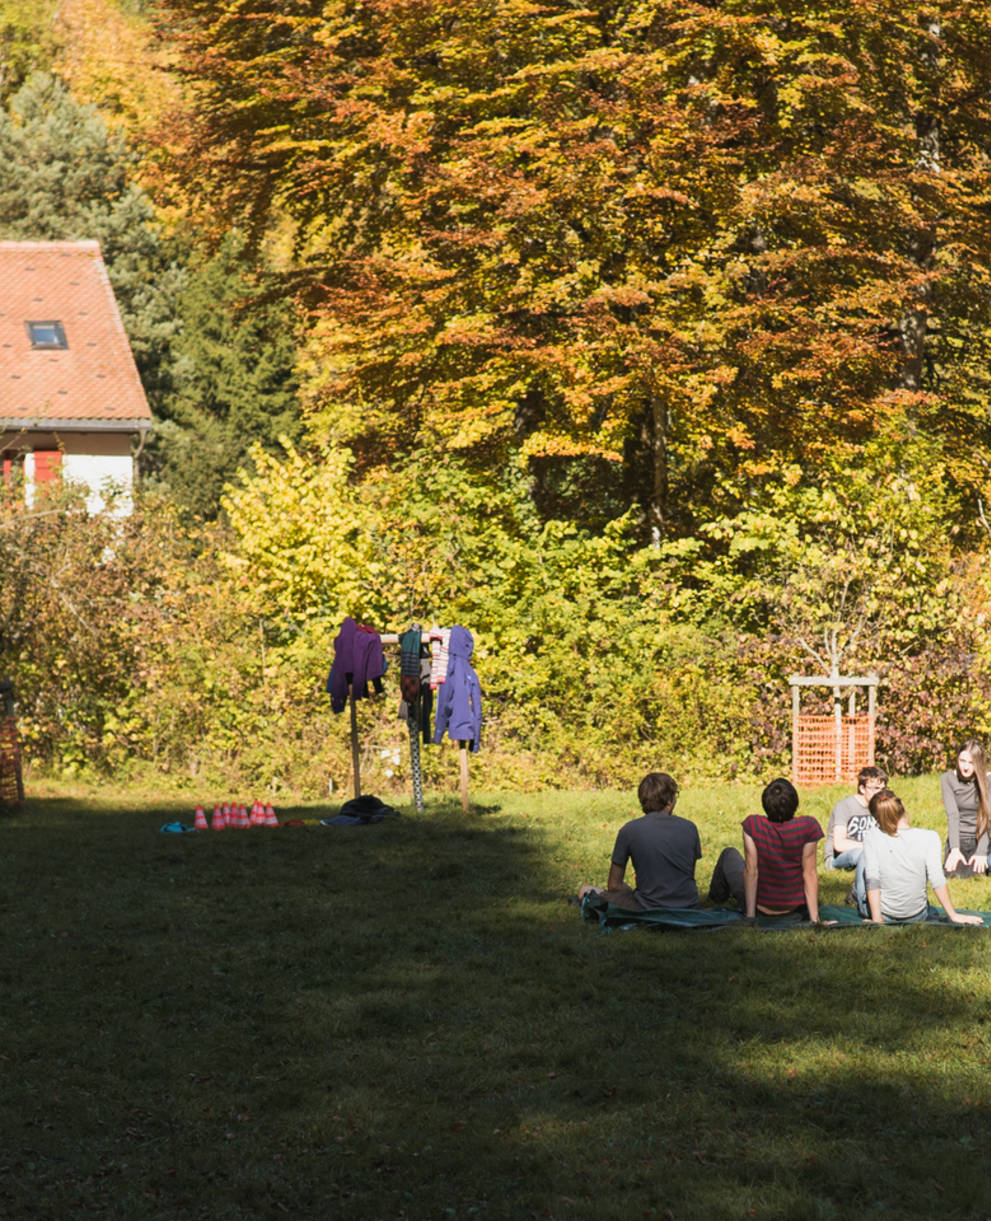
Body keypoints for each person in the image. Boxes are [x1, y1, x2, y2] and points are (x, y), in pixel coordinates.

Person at [855, 789, 982, 925]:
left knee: (863, 858)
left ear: (877, 818)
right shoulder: (930, 837)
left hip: (883, 914)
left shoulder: (872, 836)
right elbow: (937, 879)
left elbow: (872, 879)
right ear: (902, 806)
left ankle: (855, 893)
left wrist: (877, 919)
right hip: (917, 915)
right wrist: (953, 915)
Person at [577, 772, 701, 909]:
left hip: (648, 907)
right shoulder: (690, 828)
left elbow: (614, 885)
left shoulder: (629, 830)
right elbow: (687, 875)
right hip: (689, 905)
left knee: (585, 890)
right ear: (670, 801)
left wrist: (635, 894)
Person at [708, 777, 825, 922]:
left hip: (759, 907)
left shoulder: (753, 825)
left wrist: (751, 916)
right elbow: (809, 874)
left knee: (729, 854)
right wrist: (815, 920)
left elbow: (751, 871)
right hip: (794, 908)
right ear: (795, 802)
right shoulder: (808, 826)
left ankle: (716, 898)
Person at [823, 765, 887, 871]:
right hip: (841, 857)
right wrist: (870, 846)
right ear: (862, 788)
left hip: (869, 852)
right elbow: (839, 844)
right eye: (875, 788)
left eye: (882, 789)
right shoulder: (844, 806)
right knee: (860, 854)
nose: (879, 793)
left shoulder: (881, 807)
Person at [941, 740, 990, 878]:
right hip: (959, 839)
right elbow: (953, 815)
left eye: (971, 763)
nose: (966, 767)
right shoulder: (947, 779)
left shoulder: (988, 780)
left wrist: (981, 852)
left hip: (982, 837)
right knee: (954, 873)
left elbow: (987, 817)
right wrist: (955, 849)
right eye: (962, 761)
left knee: (978, 872)